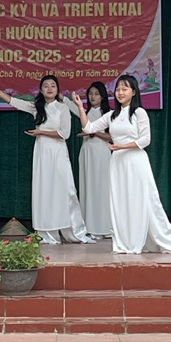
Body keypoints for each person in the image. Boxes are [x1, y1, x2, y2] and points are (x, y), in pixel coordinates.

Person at [0, 74, 94, 245]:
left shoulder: (62, 108)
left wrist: (41, 132)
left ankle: (76, 232)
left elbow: (65, 134)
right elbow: (12, 101)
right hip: (42, 152)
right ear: (40, 89)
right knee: (44, 190)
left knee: (66, 190)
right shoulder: (36, 107)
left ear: (58, 89)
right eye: (46, 85)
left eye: (53, 85)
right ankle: (48, 234)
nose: (49, 88)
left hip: (58, 152)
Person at [71, 75, 171, 255]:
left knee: (143, 200)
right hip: (117, 163)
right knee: (121, 202)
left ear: (134, 92)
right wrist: (80, 108)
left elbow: (145, 140)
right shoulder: (111, 115)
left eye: (124, 89)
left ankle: (159, 238)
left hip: (135, 161)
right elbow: (88, 128)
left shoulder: (139, 113)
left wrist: (122, 146)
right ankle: (126, 241)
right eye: (118, 89)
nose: (120, 92)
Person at [69, 81, 113, 238]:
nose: (93, 97)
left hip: (102, 152)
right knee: (88, 188)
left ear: (103, 96)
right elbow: (69, 104)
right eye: (90, 94)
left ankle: (106, 228)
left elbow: (111, 137)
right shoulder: (84, 112)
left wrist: (94, 132)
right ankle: (91, 228)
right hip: (87, 152)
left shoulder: (110, 114)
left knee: (103, 189)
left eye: (96, 94)